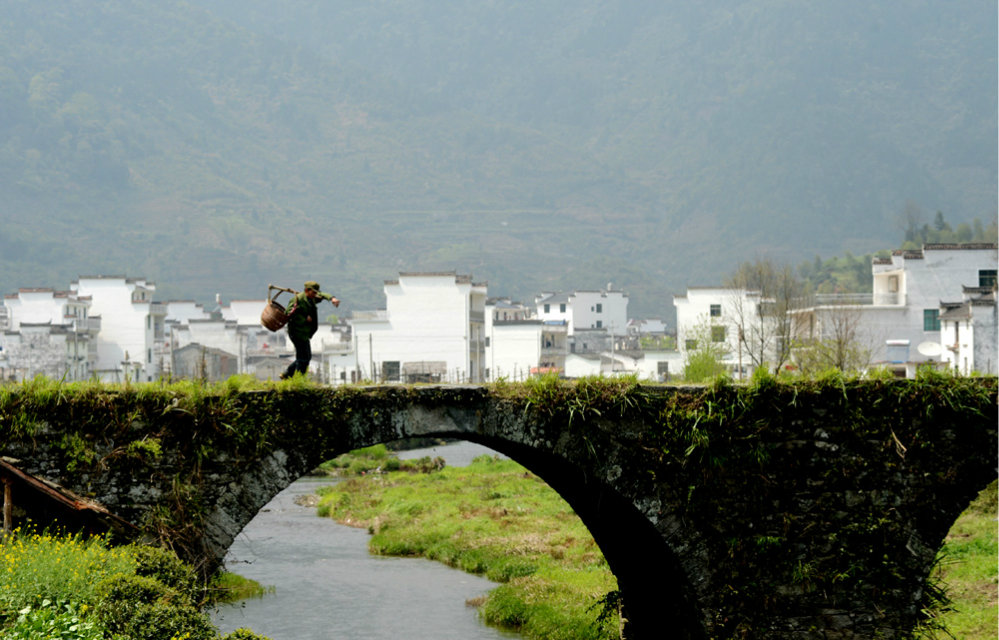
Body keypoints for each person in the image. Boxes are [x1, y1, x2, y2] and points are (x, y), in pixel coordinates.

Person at [280, 281, 340, 380]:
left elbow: (322, 295)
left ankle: (287, 374)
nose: (315, 295)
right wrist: (304, 318)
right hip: (297, 332)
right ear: (306, 290)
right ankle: (297, 380)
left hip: (304, 333)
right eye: (313, 292)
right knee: (303, 359)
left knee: (306, 357)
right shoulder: (297, 300)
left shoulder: (311, 298)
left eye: (316, 293)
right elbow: (288, 314)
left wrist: (332, 298)